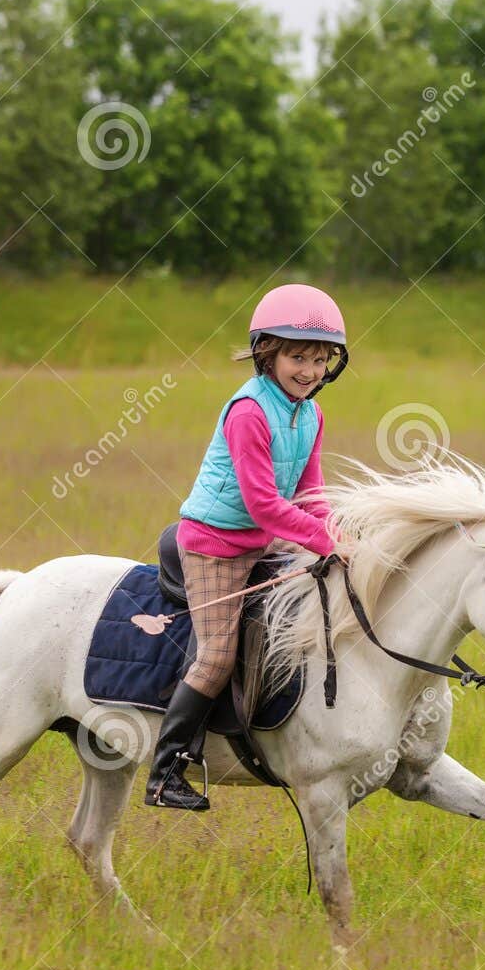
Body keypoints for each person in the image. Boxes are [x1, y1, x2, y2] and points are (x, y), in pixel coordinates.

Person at [144, 283, 351, 810]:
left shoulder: (311, 414)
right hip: (215, 545)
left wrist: (337, 536)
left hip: (263, 542)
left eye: (320, 359)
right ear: (267, 353)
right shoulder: (248, 413)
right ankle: (166, 772)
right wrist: (322, 539)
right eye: (297, 357)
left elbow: (310, 492)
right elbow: (263, 505)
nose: (308, 370)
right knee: (216, 656)